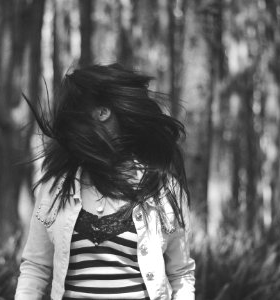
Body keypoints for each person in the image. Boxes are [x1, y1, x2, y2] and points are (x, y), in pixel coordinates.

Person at [15, 63, 195, 300]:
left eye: (74, 114)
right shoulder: (55, 188)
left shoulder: (162, 189)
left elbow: (180, 274)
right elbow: (36, 269)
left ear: (103, 112)